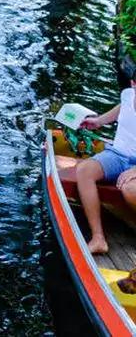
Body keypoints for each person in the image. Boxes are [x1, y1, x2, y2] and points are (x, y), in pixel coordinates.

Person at [76, 75, 136, 253]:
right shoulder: (127, 94)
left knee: (130, 190)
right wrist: (99, 121)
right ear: (134, 84)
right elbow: (122, 108)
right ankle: (98, 238)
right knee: (85, 170)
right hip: (117, 155)